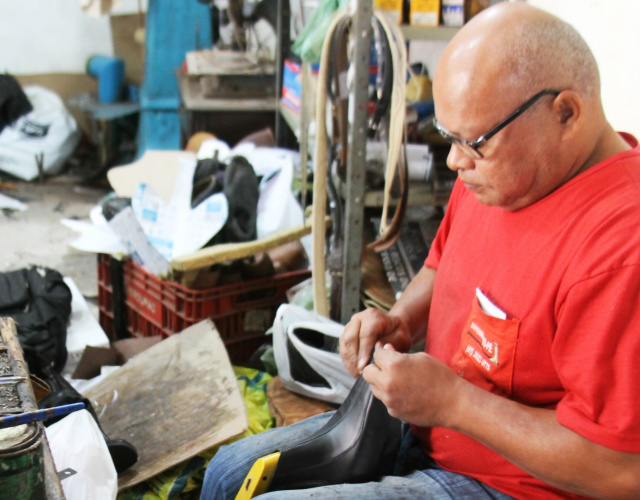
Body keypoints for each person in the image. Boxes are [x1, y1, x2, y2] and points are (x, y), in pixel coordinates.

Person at [200, 3, 640, 499]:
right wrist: (402, 319)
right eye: (449, 138)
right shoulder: (502, 173)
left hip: (514, 485)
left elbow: (620, 468)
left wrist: (454, 404)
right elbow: (443, 261)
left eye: (472, 142)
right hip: (430, 426)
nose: (455, 160)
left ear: (565, 113)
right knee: (228, 474)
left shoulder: (619, 247)